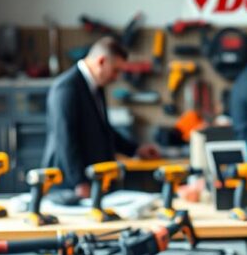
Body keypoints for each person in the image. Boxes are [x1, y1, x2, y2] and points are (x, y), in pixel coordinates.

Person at [41, 37, 159, 197]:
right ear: (101, 61)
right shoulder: (66, 88)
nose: (116, 77)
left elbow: (103, 130)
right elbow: (66, 139)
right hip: (71, 186)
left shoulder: (96, 87)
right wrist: (80, 182)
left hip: (94, 181)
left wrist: (135, 149)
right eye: (115, 70)